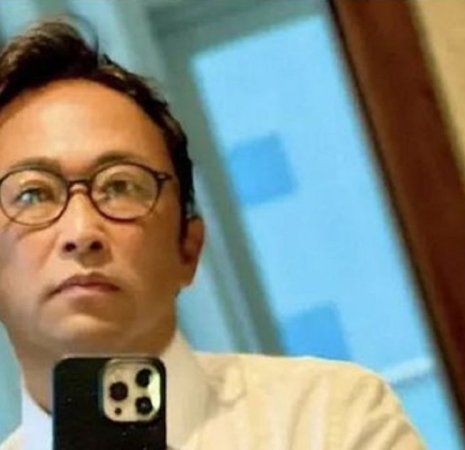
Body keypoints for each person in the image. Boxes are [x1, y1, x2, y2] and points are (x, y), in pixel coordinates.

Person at [0, 19, 424, 450]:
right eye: (33, 194)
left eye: (121, 186)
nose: (81, 231)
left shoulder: (332, 415)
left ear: (189, 247)